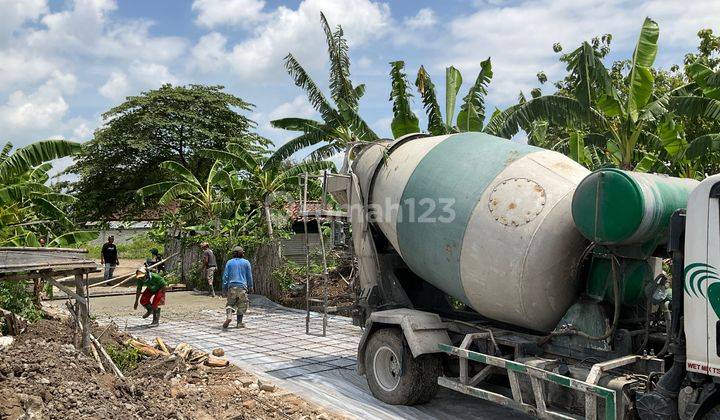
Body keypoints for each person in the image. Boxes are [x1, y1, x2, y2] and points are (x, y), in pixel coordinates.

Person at [222, 246, 253, 329]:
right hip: (242, 287)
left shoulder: (229, 262)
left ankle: (229, 316)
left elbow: (225, 276)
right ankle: (239, 323)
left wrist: (224, 287)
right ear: (241, 253)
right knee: (242, 305)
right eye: (243, 252)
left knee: (230, 303)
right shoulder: (246, 262)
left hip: (231, 287)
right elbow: (249, 276)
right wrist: (251, 286)